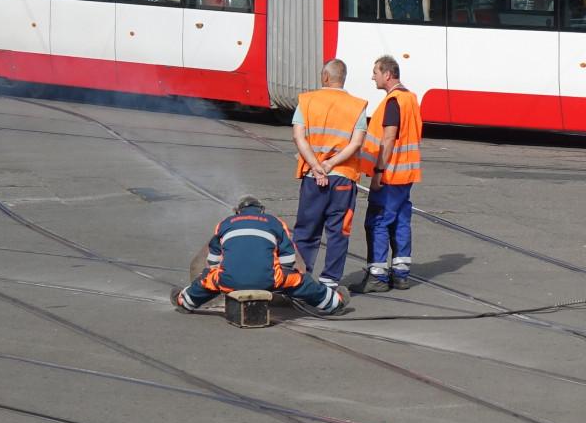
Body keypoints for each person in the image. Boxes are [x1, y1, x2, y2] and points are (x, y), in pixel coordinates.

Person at [172, 194, 345, 316]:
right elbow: (288, 257)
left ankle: (184, 301)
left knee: (207, 281)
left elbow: (213, 260)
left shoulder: (225, 224)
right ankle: (335, 303)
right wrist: (284, 277)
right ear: (262, 210)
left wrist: (220, 272)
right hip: (269, 279)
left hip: (229, 280)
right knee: (301, 282)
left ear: (237, 211)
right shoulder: (274, 222)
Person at [291, 59, 371, 291]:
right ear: (343, 78)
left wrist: (316, 166)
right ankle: (330, 283)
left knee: (306, 230)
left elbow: (299, 137)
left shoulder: (306, 101)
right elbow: (356, 143)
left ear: (325, 77)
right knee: (338, 232)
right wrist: (331, 164)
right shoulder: (357, 105)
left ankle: (300, 279)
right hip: (343, 177)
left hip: (312, 178)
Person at [363, 56, 422, 292]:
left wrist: (378, 171)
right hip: (406, 174)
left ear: (387, 74)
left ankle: (377, 276)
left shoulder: (393, 101)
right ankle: (401, 274)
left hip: (390, 174)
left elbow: (388, 138)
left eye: (375, 72)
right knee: (400, 221)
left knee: (378, 222)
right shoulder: (410, 98)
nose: (373, 77)